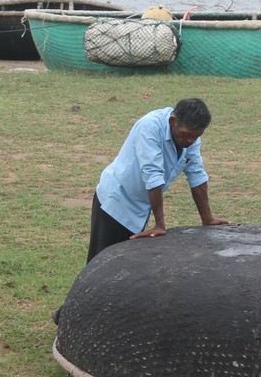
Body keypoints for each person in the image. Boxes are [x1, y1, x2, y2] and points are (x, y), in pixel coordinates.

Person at [87, 97, 230, 262]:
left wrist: (207, 218)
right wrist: (159, 224)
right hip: (115, 201)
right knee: (102, 262)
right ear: (172, 121)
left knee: (124, 264)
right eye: (186, 134)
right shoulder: (149, 126)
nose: (190, 140)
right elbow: (152, 174)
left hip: (140, 206)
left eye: (196, 136)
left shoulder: (191, 138)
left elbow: (196, 173)